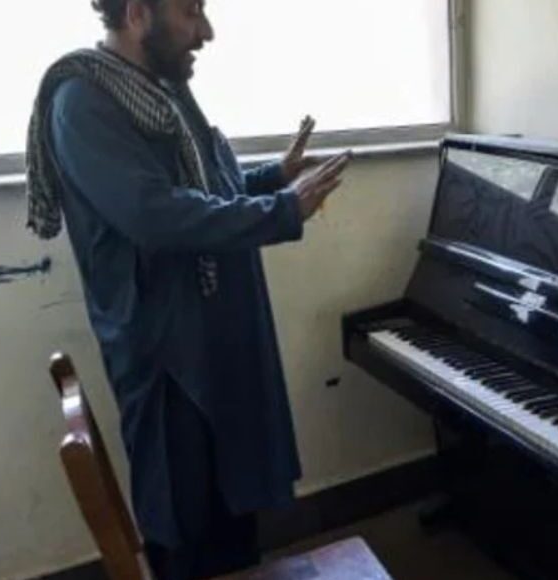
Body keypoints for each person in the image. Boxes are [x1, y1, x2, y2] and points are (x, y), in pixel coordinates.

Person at [24, 1, 351, 577]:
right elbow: (156, 214)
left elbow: (206, 189)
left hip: (218, 345)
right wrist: (282, 210)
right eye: (190, 10)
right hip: (169, 362)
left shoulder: (164, 91)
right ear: (137, 13)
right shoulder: (82, 102)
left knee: (235, 519)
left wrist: (274, 177)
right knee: (187, 531)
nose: (206, 31)